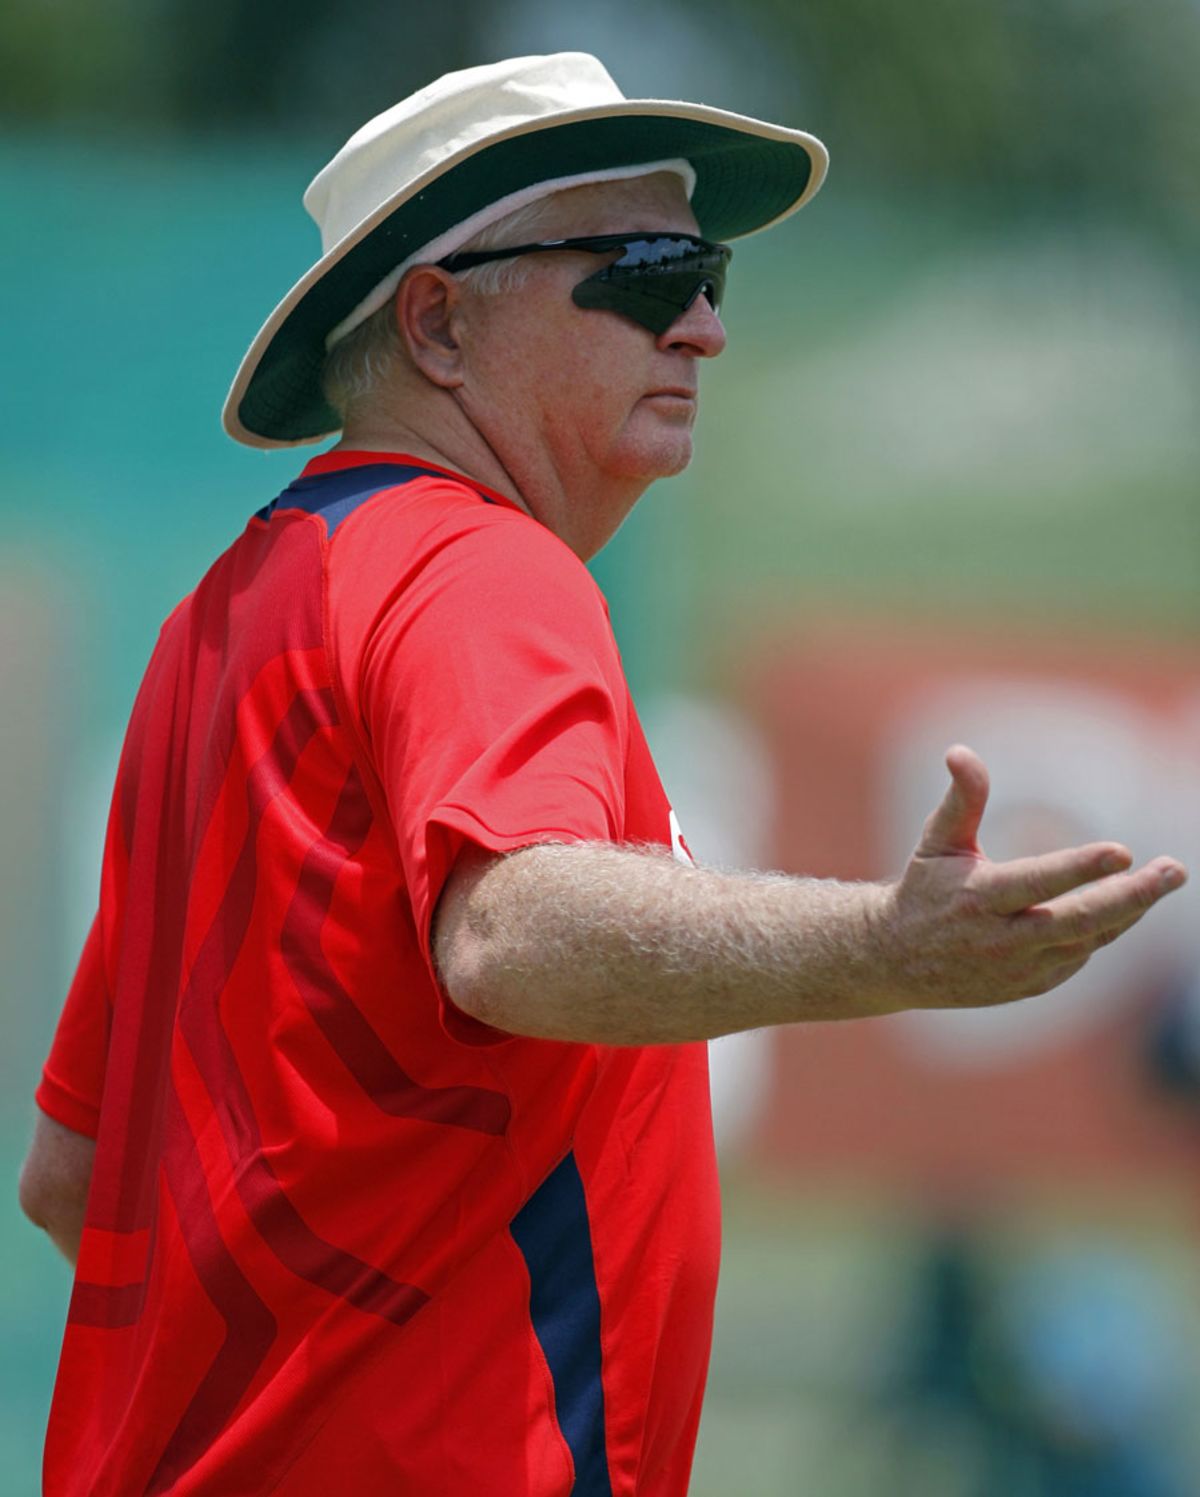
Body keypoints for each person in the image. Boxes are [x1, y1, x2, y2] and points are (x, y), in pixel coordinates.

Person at [19, 51, 1187, 1497]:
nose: (701, 326)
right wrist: (887, 946)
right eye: (642, 271)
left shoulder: (217, 625)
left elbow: (72, 1176)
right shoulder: (478, 567)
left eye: (708, 275)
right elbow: (513, 930)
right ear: (440, 323)